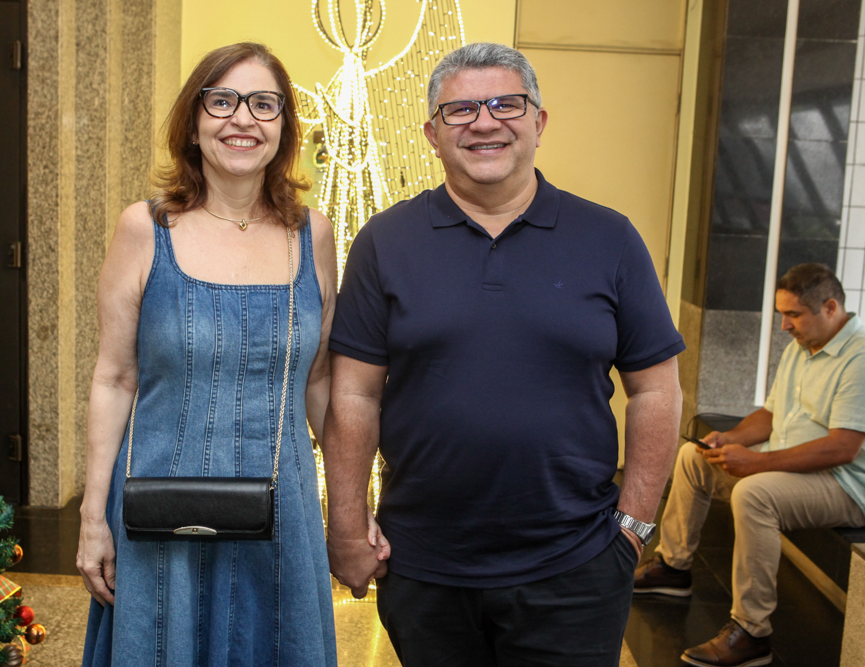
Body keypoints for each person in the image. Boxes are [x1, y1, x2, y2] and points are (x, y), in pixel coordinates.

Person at [322, 42, 685, 666]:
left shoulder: (610, 238)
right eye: (461, 110)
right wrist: (347, 528)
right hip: (424, 566)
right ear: (433, 135)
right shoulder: (385, 241)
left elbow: (657, 389)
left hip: (576, 565)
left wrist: (634, 528)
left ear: (538, 121)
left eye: (506, 105)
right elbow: (354, 394)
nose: (485, 123)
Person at [76, 42, 343, 666]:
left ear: (283, 127)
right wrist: (92, 516)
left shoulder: (312, 235)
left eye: (263, 104)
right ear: (193, 122)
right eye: (222, 101)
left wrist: (351, 511)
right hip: (162, 509)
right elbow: (114, 378)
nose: (242, 119)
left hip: (282, 510)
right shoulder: (145, 229)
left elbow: (320, 382)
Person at [634, 263, 865, 667]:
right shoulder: (803, 346)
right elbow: (771, 416)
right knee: (693, 458)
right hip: (792, 468)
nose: (784, 326)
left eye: (793, 315)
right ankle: (673, 568)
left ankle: (752, 632)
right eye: (782, 314)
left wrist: (757, 462)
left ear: (830, 308)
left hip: (841, 484)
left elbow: (843, 448)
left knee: (754, 494)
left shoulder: (858, 359)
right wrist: (732, 439)